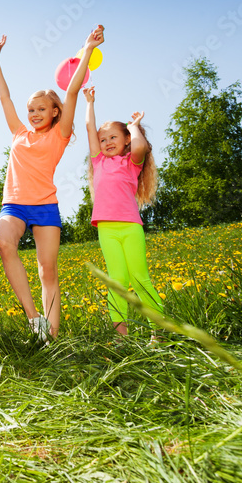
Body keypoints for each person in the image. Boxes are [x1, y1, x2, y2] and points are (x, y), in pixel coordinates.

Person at [0, 26, 104, 342]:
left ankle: (51, 339)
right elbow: (4, 96)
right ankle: (33, 318)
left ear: (55, 112)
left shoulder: (60, 134)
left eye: (41, 109)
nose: (34, 114)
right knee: (4, 244)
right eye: (31, 110)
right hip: (14, 204)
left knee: (48, 272)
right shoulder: (19, 133)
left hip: (45, 207)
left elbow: (70, 93)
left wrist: (86, 49)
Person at [83, 87, 164, 335]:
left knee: (140, 279)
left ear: (126, 139)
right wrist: (90, 102)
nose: (107, 143)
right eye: (103, 139)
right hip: (106, 229)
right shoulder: (98, 161)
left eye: (113, 138)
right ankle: (122, 338)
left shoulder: (131, 164)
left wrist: (134, 126)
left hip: (130, 227)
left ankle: (158, 334)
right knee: (117, 280)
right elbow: (89, 128)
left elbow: (141, 148)